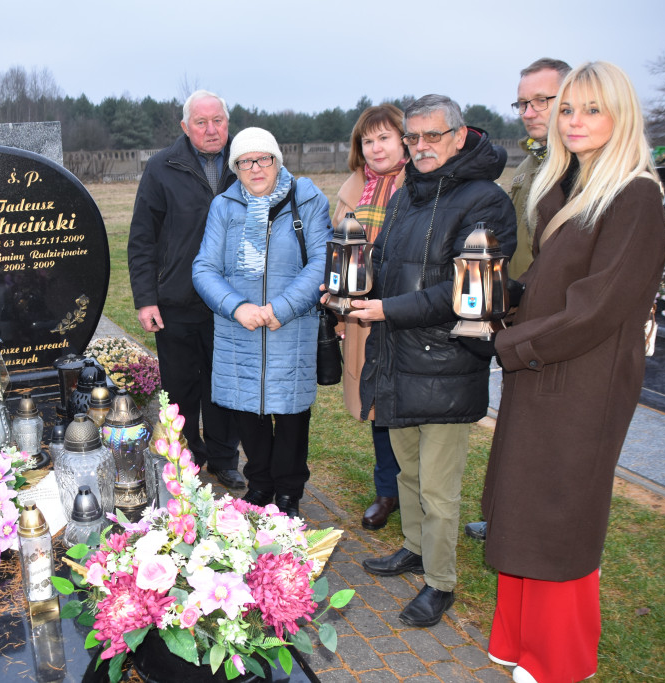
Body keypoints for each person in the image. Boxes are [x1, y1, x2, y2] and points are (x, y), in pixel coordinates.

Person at [481, 61, 665, 683]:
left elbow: (597, 307)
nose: (575, 121)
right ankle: (518, 639)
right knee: (521, 506)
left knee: (560, 515)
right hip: (542, 372)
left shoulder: (634, 194)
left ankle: (558, 660)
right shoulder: (569, 185)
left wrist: (510, 345)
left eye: (591, 108)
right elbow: (550, 285)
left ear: (622, 115)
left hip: (582, 382)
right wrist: (495, 297)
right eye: (568, 110)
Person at [349, 95, 516, 627]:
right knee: (409, 474)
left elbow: (466, 293)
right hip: (396, 354)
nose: (421, 147)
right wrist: (352, 284)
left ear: (459, 136)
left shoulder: (486, 201)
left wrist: (384, 309)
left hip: (444, 362)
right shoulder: (406, 194)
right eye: (413, 137)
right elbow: (386, 262)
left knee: (441, 490)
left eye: (432, 136)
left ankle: (440, 582)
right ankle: (416, 549)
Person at [193, 128, 331, 518]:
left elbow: (321, 261)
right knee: (247, 412)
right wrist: (236, 307)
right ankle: (259, 484)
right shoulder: (224, 206)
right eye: (245, 161)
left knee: (289, 416)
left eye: (263, 159)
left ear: (277, 160)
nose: (255, 168)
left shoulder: (307, 198)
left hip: (290, 326)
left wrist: (281, 308)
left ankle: (288, 491)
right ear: (235, 168)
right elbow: (205, 267)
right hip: (240, 328)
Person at [465, 57, 571, 543]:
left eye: (540, 101)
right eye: (523, 102)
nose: (529, 111)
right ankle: (507, 516)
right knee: (517, 424)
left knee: (549, 433)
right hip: (518, 307)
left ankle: (534, 527)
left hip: (552, 315)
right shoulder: (537, 158)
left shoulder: (577, 166)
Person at [127, 90, 244, 490]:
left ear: (228, 123)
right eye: (201, 122)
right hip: (177, 298)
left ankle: (225, 458)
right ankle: (186, 453)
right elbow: (142, 237)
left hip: (231, 302)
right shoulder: (162, 168)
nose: (211, 130)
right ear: (185, 126)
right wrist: (146, 298)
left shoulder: (245, 163)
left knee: (224, 385)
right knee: (180, 386)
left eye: (218, 121)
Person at [332, 105, 408, 530]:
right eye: (368, 140)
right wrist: (341, 315)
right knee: (376, 404)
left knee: (408, 403)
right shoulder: (352, 190)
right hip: (363, 315)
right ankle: (387, 491)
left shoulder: (420, 184)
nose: (376, 148)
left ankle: (413, 490)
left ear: (404, 140)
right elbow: (337, 256)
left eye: (385, 138)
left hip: (406, 313)